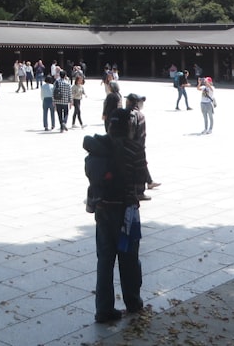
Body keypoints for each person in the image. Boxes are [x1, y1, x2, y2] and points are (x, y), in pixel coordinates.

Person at [84, 107, 144, 323]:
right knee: (129, 259)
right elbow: (140, 179)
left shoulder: (98, 147)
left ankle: (104, 310)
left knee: (105, 261)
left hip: (103, 210)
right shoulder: (134, 148)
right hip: (127, 211)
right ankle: (133, 301)